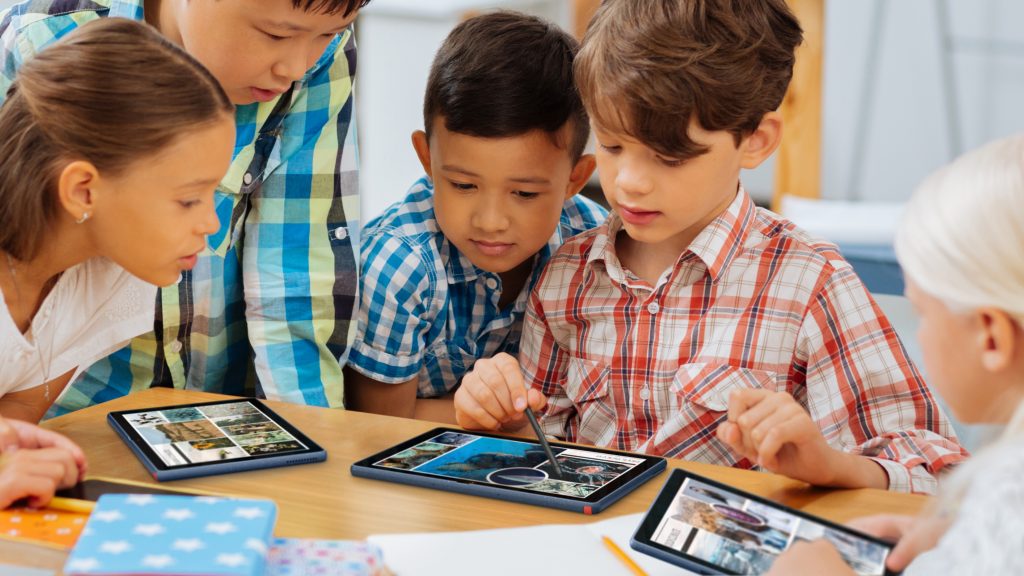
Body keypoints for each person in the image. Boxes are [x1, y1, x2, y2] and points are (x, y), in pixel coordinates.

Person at [453, 0, 966, 494]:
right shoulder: (567, 275)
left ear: (756, 141)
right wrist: (500, 418)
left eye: (669, 157)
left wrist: (831, 465)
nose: (630, 182)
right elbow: (546, 458)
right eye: (611, 145)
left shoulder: (809, 284)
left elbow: (937, 477)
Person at [0, 0, 372, 415]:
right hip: (84, 413)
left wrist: (313, 430)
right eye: (277, 35)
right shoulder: (40, 35)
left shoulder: (111, 285)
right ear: (83, 190)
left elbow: (296, 277)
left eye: (327, 36)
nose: (297, 68)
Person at [0, 18, 235, 505]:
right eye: (189, 199)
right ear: (83, 189)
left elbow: (12, 424)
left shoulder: (111, 278)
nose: (211, 223)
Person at [768, 135, 1024, 574]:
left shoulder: (1008, 493)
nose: (918, 333)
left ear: (992, 337)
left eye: (922, 313)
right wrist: (957, 539)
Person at [344, 11, 606, 423]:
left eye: (524, 193)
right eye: (464, 186)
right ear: (427, 159)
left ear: (576, 179)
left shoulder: (593, 247)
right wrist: (494, 421)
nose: (490, 221)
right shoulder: (399, 266)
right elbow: (378, 423)